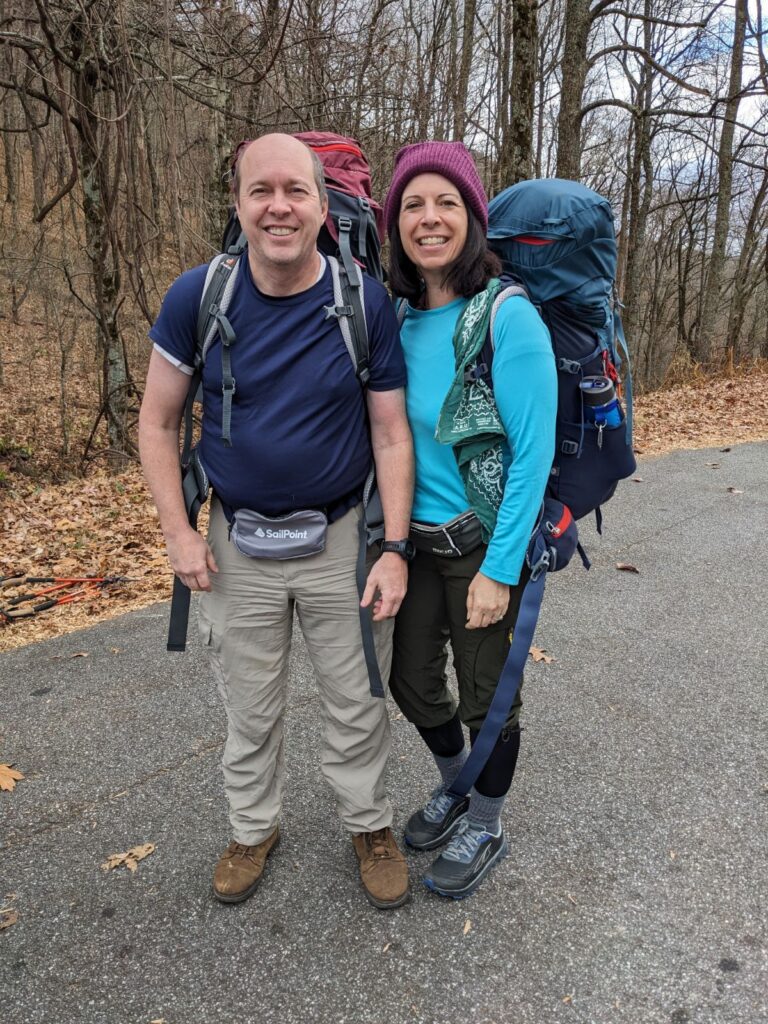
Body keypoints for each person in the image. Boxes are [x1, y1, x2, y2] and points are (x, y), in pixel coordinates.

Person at [139, 133, 415, 910]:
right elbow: (157, 422)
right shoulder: (198, 297)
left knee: (357, 697)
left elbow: (391, 434)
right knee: (249, 704)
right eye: (261, 190)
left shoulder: (362, 301)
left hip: (343, 540)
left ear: (323, 207)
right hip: (236, 542)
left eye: (296, 190)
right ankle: (252, 828)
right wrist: (178, 533)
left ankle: (369, 824)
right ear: (238, 203)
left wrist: (395, 548)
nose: (278, 206)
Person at [382, 141, 557, 899]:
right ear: (395, 224)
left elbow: (532, 455)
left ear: (473, 218)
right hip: (413, 544)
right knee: (411, 681)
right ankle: (458, 784)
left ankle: (485, 821)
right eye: (413, 204)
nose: (429, 218)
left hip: (483, 541)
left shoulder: (507, 318)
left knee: (488, 700)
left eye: (446, 203)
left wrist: (500, 568)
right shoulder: (395, 317)